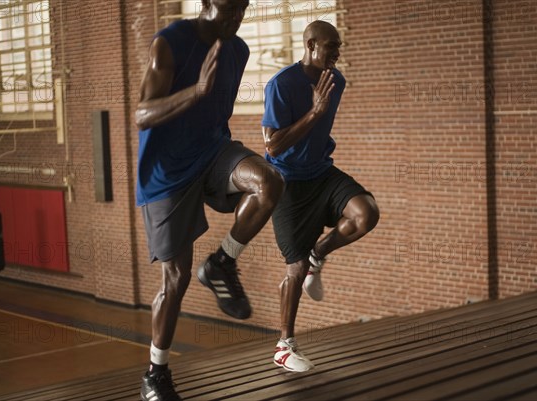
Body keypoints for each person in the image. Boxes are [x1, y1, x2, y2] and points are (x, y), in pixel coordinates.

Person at [134, 0, 284, 399]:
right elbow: (142, 114)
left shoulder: (238, 48)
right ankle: (156, 372)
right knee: (175, 279)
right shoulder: (168, 43)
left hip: (212, 152)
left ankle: (222, 262)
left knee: (269, 182)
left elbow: (217, 115)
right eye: (228, 7)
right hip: (167, 173)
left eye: (243, 7)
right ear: (204, 3)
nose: (236, 15)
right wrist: (196, 90)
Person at [262, 20, 380, 372]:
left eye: (339, 45)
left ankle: (319, 253)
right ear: (311, 44)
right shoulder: (281, 84)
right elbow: (271, 145)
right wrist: (314, 111)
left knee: (366, 213)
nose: (337, 52)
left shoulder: (336, 80)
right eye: (331, 46)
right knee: (294, 269)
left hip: (321, 173)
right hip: (287, 183)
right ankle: (284, 346)